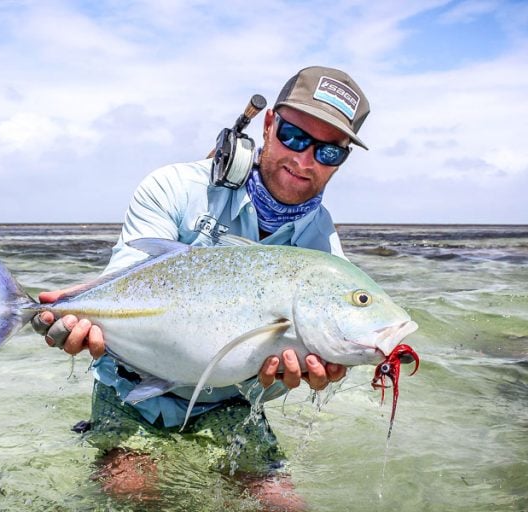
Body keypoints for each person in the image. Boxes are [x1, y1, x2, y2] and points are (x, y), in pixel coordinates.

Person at [34, 66, 370, 510]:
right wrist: (85, 312)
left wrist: (298, 378)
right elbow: (129, 277)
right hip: (130, 391)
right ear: (268, 126)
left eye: (329, 152)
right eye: (293, 136)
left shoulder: (323, 246)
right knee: (133, 495)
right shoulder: (174, 187)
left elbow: (283, 352)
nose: (305, 160)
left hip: (229, 403)